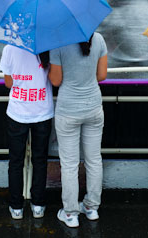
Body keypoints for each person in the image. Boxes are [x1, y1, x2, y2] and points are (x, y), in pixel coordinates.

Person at [49, 33, 108, 229]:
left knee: (69, 165)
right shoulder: (98, 39)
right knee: (94, 160)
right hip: (93, 107)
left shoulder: (59, 42)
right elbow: (101, 76)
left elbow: (56, 81)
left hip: (68, 111)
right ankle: (91, 208)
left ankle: (71, 213)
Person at [0, 46, 54, 220]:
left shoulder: (9, 48)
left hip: (17, 112)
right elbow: (55, 79)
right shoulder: (49, 47)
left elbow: (8, 83)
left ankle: (16, 207)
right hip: (42, 111)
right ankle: (38, 205)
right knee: (40, 160)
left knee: (16, 161)